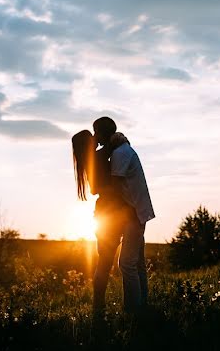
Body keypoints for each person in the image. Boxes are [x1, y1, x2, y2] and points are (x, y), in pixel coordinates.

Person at [92, 116, 155, 315]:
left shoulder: (119, 154)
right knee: (137, 263)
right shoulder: (123, 149)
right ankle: (143, 306)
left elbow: (116, 186)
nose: (96, 137)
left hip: (133, 213)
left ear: (102, 133)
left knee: (126, 264)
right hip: (139, 210)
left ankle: (133, 312)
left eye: (97, 133)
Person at [71, 129, 132, 317]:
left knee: (104, 263)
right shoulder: (96, 157)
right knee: (107, 263)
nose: (96, 138)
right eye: (92, 137)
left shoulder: (89, 160)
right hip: (110, 213)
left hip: (104, 213)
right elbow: (97, 187)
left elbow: (94, 188)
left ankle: (99, 306)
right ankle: (99, 307)